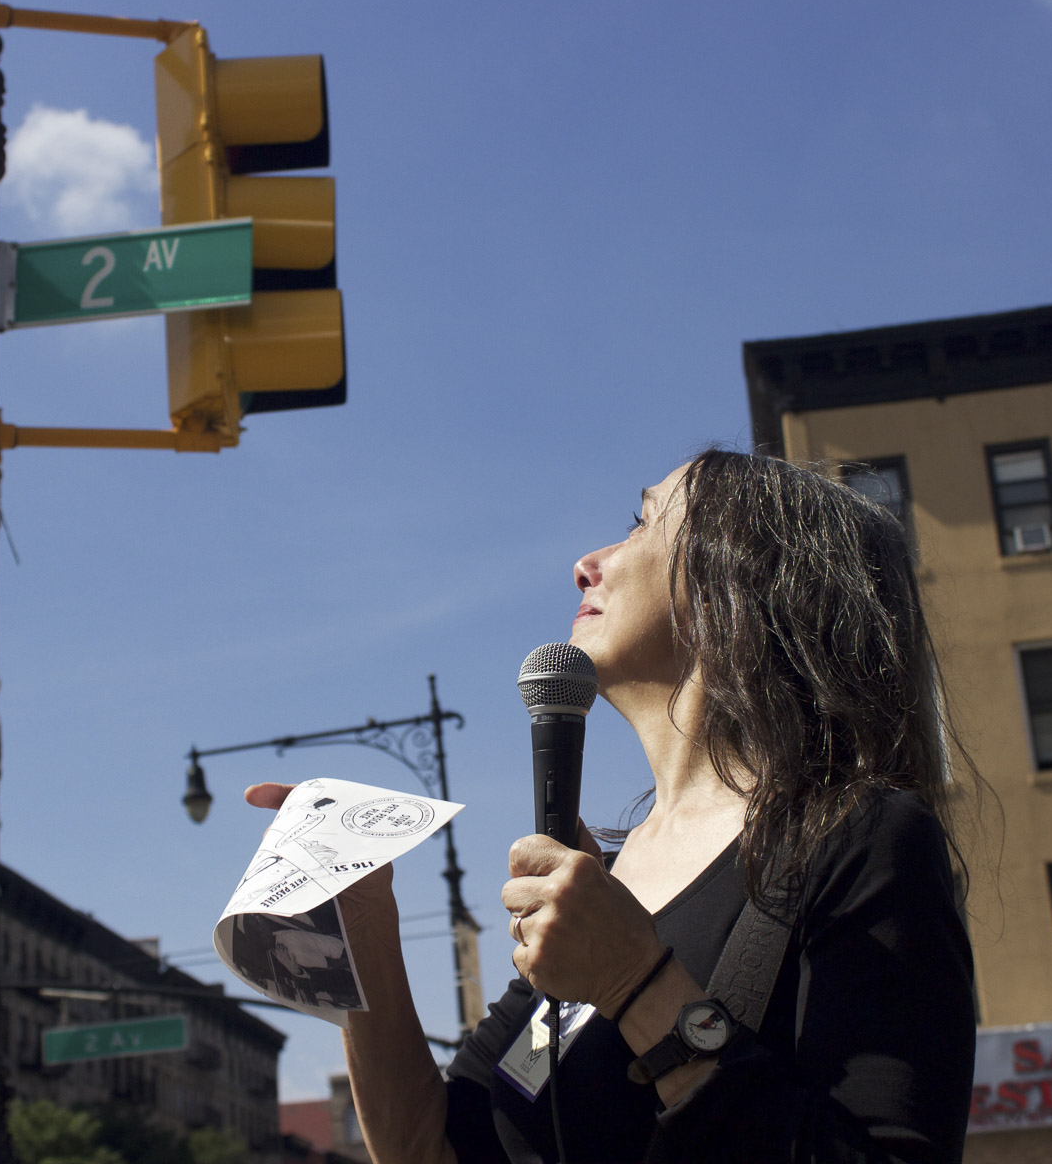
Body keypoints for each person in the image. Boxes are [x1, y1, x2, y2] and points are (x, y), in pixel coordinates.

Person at [247, 448, 981, 1163]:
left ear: (741, 578)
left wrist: (636, 984)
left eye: (642, 523)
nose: (585, 564)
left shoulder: (861, 839)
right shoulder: (608, 884)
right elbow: (425, 1146)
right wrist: (362, 922)